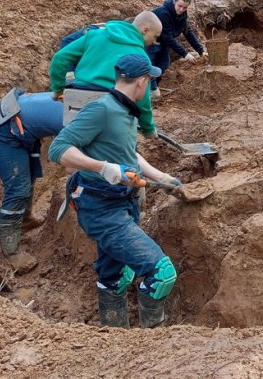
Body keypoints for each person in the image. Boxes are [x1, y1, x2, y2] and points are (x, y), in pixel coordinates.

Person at [48, 54, 181, 328]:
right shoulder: (102, 110)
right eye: (150, 81)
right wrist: (103, 167)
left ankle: (114, 340)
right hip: (101, 208)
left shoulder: (125, 110)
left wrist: (162, 177)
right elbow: (58, 149)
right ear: (142, 82)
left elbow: (128, 153)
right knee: (162, 274)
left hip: (124, 203)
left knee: (116, 277)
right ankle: (155, 343)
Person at [49, 11, 161, 138]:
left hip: (77, 103)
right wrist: (148, 129)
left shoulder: (94, 35)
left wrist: (57, 89)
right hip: (114, 109)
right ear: (146, 30)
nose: (154, 42)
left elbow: (60, 58)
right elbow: (143, 100)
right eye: (155, 36)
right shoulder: (141, 57)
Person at [0, 89, 64, 257]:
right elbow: (68, 157)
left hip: (22, 125)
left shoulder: (89, 104)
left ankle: (25, 220)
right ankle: (10, 250)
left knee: (30, 177)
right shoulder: (85, 120)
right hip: (2, 127)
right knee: (19, 188)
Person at [147, 0, 206, 98]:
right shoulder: (163, 13)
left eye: (185, 7)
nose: (181, 10)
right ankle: (151, 90)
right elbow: (168, 38)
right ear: (174, 1)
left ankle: (155, 89)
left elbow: (187, 31)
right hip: (151, 41)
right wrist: (185, 54)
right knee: (151, 65)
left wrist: (200, 49)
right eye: (179, 6)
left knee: (163, 65)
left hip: (164, 43)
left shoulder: (182, 14)